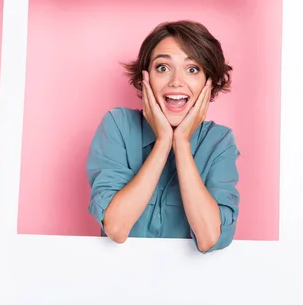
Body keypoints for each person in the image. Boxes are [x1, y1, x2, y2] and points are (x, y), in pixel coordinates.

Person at [86, 20, 240, 253]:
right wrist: (163, 141)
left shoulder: (220, 142)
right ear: (144, 78)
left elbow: (209, 238)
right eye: (162, 68)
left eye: (192, 69)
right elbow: (116, 228)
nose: (176, 81)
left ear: (209, 82)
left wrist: (181, 143)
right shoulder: (117, 124)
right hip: (118, 283)